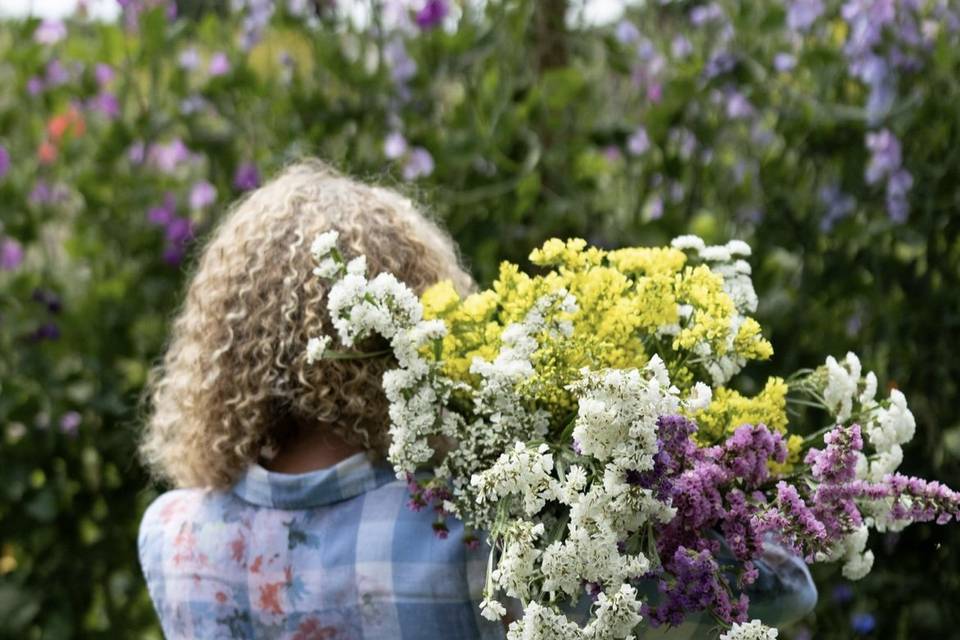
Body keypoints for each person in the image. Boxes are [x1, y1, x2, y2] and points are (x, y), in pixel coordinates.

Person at [137, 160, 816, 639]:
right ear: (421, 315)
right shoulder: (472, 532)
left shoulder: (173, 537)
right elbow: (779, 588)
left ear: (224, 352)